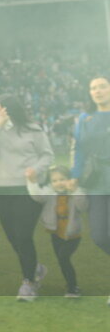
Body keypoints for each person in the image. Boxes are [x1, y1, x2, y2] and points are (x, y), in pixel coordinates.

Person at [0, 94, 54, 301]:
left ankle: (29, 283)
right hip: (1, 191)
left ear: (8, 110)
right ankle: (35, 268)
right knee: (13, 237)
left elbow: (47, 155)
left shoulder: (33, 130)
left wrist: (36, 169)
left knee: (22, 235)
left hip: (27, 190)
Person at [27, 165, 87, 298]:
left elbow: (83, 206)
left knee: (63, 257)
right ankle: (70, 285)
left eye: (62, 179)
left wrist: (75, 190)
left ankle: (73, 288)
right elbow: (37, 196)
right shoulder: (50, 194)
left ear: (69, 179)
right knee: (62, 260)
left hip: (72, 234)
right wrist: (32, 181)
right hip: (56, 233)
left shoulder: (74, 192)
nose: (58, 183)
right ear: (51, 183)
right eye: (54, 180)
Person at [70, 76, 110, 256]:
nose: (98, 91)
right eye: (94, 88)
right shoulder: (85, 118)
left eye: (102, 86)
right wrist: (75, 175)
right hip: (96, 180)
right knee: (100, 235)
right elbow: (79, 149)